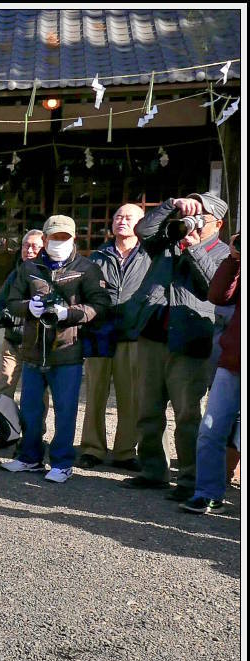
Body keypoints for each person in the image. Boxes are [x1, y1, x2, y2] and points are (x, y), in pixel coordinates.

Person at [123, 192, 233, 501]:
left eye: (200, 217)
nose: (191, 221)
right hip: (152, 334)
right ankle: (152, 471)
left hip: (190, 340)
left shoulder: (225, 254)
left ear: (218, 224)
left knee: (187, 415)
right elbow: (142, 231)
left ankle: (189, 479)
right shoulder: (168, 241)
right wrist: (170, 206)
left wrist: (195, 246)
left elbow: (213, 287)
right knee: (147, 409)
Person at [0, 215, 110, 483]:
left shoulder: (87, 268)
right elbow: (10, 301)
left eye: (65, 237)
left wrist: (68, 313)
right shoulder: (29, 268)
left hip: (67, 351)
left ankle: (61, 462)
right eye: (54, 237)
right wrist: (28, 307)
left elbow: (100, 304)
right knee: (31, 409)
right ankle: (29, 458)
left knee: (66, 409)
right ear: (45, 239)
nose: (59, 242)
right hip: (33, 349)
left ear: (73, 239)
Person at [78, 204, 150, 470]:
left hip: (132, 333)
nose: (122, 221)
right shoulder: (98, 256)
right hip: (99, 332)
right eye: (118, 216)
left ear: (141, 223)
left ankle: (125, 451)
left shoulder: (149, 256)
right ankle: (92, 448)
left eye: (129, 217)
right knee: (95, 393)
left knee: (129, 395)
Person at [183, 240, 240, 514]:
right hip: (232, 363)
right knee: (210, 430)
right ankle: (207, 494)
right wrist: (234, 259)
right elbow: (217, 296)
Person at [0, 229, 45, 397]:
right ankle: (2, 422)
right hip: (13, 340)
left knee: (37, 394)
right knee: (5, 387)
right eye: (25, 246)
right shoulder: (15, 274)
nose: (29, 251)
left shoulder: (48, 275)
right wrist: (1, 316)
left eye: (35, 247)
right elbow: (0, 304)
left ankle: (36, 425)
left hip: (37, 344)